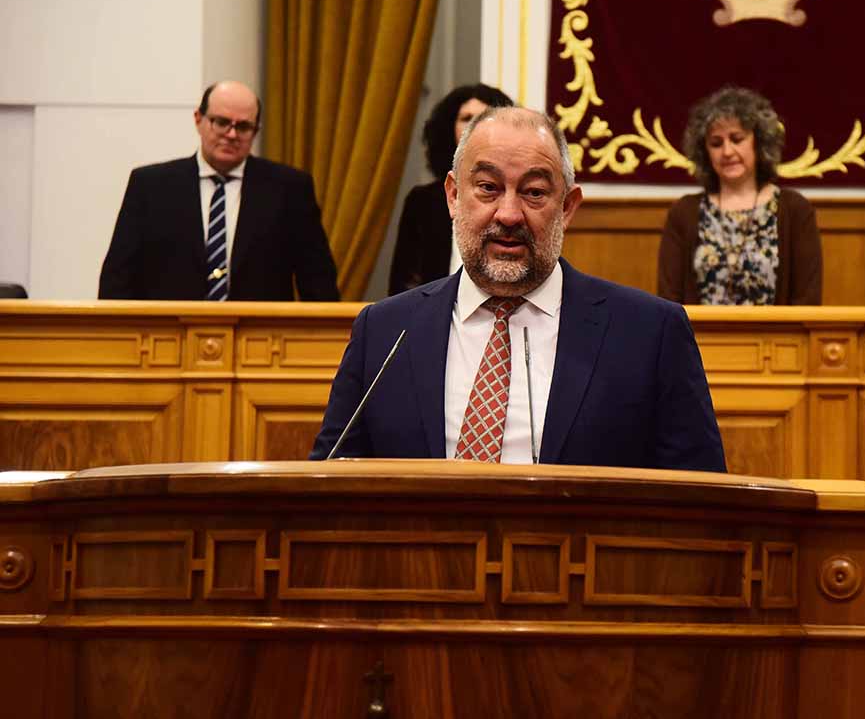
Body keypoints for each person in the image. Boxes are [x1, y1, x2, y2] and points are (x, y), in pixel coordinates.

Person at [311, 106, 726, 473]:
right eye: (488, 188)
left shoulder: (649, 333)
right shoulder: (385, 331)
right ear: (453, 196)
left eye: (534, 193)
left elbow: (702, 499)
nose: (509, 215)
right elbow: (325, 485)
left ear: (567, 207)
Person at [99, 80, 339, 301]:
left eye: (243, 127)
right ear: (198, 120)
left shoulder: (290, 189)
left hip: (261, 332)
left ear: (256, 131)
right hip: (167, 331)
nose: (231, 134)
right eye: (222, 122)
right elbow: (116, 281)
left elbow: (319, 284)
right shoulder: (150, 186)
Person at [657, 86, 822, 305]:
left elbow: (807, 300)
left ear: (759, 142)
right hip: (697, 329)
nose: (727, 152)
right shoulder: (683, 213)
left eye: (737, 139)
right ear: (704, 151)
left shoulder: (795, 210)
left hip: (775, 329)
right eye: (716, 143)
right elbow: (668, 302)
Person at [388, 83, 514, 295]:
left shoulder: (514, 199)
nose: (474, 126)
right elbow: (405, 284)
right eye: (466, 118)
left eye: (484, 118)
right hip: (435, 309)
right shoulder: (423, 201)